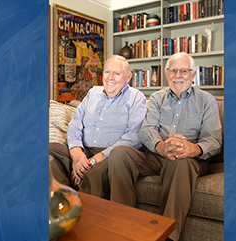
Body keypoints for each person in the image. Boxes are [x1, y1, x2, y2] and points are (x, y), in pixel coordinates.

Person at [107, 52, 222, 241]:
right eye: (173, 71)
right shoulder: (156, 98)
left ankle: (167, 237)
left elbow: (213, 140)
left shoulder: (206, 100)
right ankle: (122, 226)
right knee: (120, 153)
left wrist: (192, 149)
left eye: (184, 71)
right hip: (156, 155)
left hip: (189, 159)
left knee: (179, 161)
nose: (178, 75)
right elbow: (146, 130)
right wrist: (160, 146)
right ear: (166, 74)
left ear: (193, 74)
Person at [49, 55, 146, 197]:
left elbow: (134, 137)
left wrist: (95, 160)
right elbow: (75, 124)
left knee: (94, 174)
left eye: (116, 73)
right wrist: (77, 155)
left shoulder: (136, 98)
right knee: (48, 151)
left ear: (128, 77)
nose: (110, 77)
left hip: (110, 155)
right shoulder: (93, 93)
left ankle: (88, 215)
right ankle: (64, 201)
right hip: (84, 150)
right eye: (107, 72)